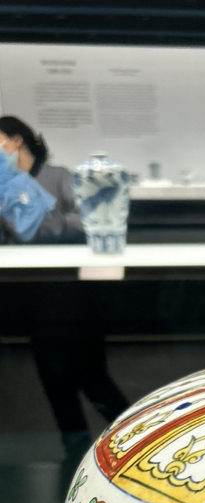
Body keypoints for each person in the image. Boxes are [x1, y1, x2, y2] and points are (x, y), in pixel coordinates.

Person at [0, 115, 128, 447]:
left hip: (74, 297)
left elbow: (90, 219)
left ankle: (133, 442)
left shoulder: (58, 177)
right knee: (55, 386)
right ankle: (76, 454)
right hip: (33, 298)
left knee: (94, 380)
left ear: (15, 141)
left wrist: (49, 223)